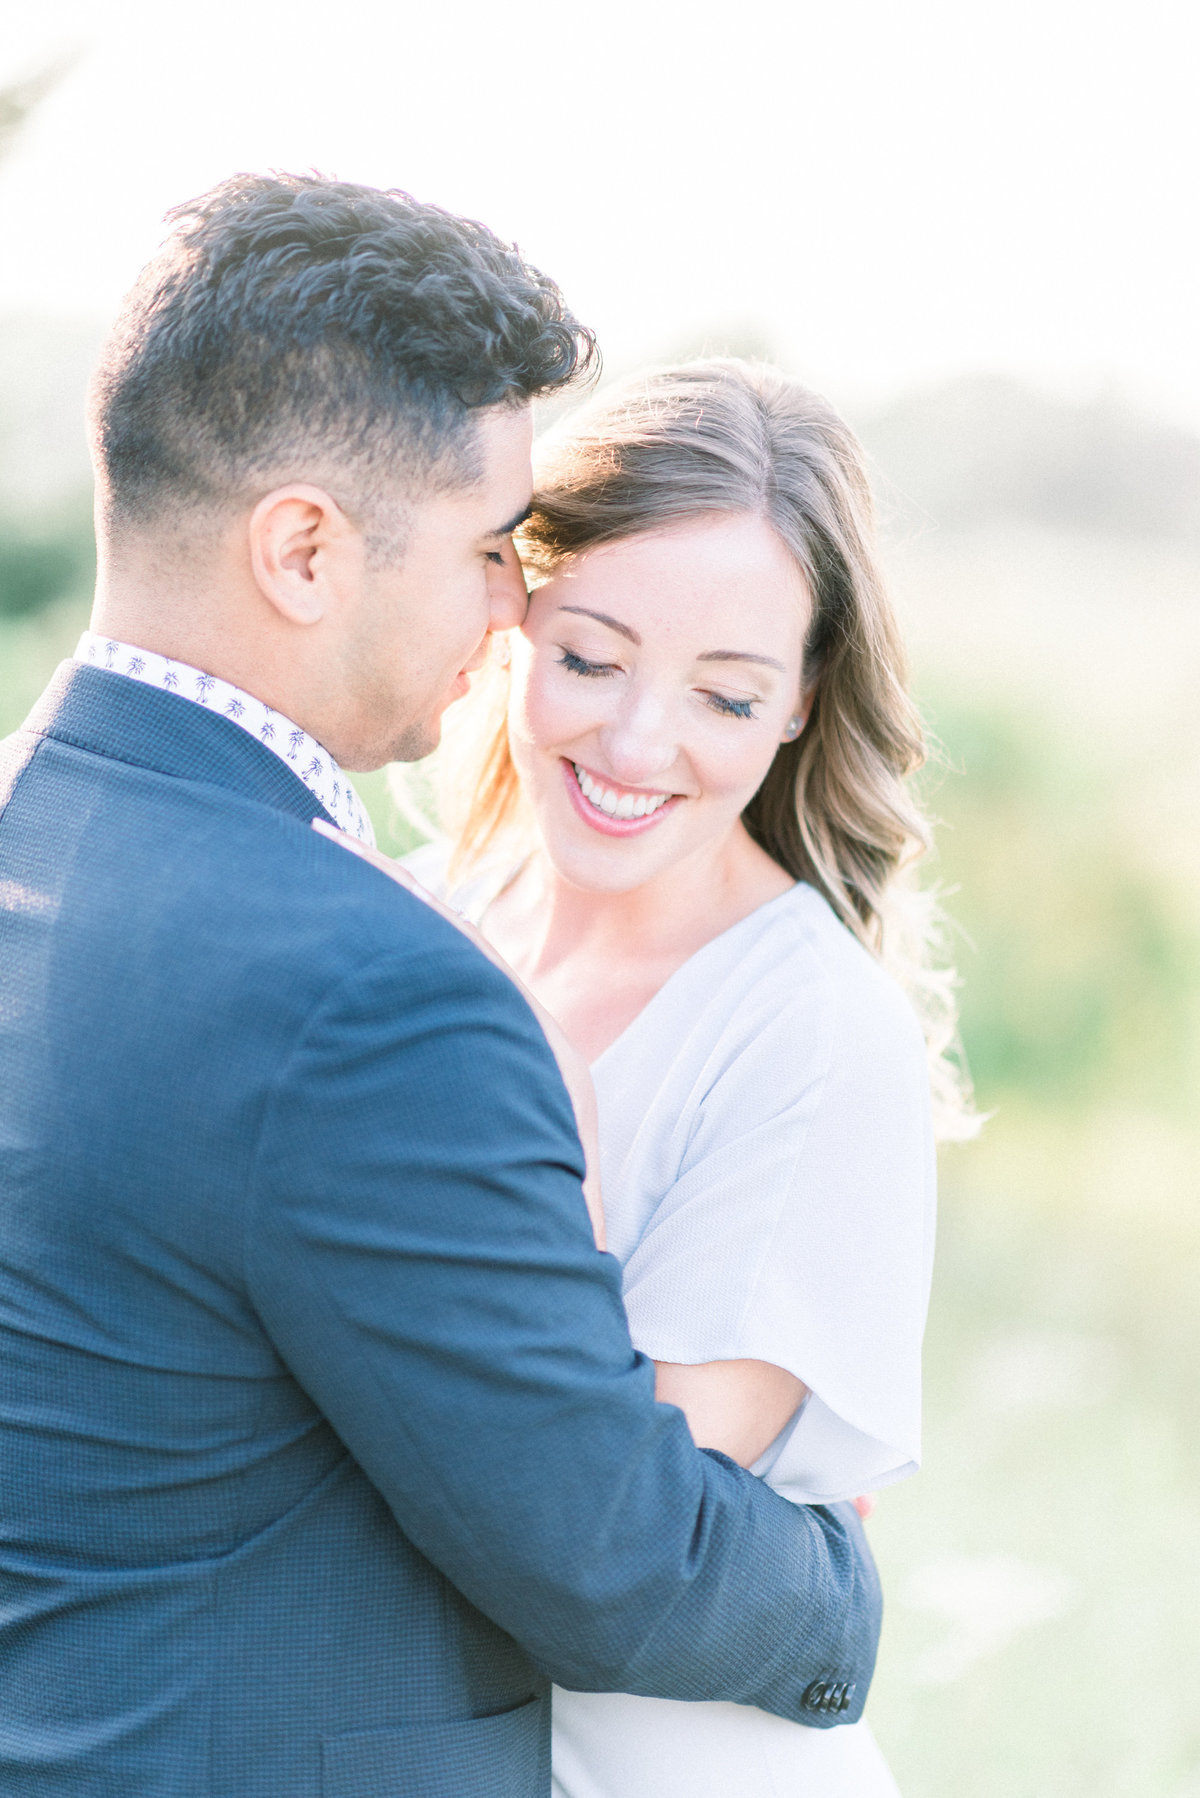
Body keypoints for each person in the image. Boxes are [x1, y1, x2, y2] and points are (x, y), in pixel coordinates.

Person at [0, 178, 882, 1798]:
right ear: (307, 549)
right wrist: (839, 1588)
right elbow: (610, 1554)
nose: (507, 612)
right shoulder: (372, 988)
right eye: (491, 549)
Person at [412, 359, 977, 1796]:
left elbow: (601, 1525)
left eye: (725, 697)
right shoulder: (419, 921)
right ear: (510, 615)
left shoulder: (809, 1030)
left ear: (799, 706)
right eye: (592, 658)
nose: (636, 744)